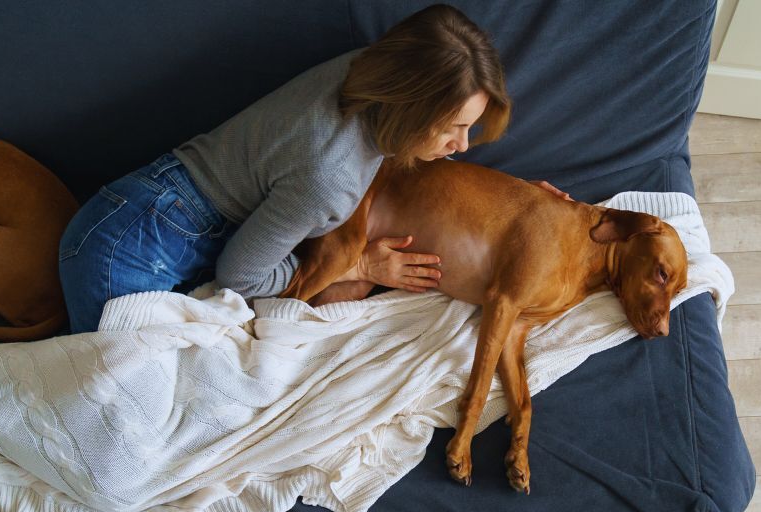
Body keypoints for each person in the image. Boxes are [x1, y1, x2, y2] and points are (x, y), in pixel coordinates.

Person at [58, 4, 566, 334]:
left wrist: (516, 204)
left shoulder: (374, 68)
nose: (461, 146)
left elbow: (409, 154)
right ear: (409, 107)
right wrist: (360, 267)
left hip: (155, 209)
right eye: (452, 128)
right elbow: (241, 279)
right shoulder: (330, 177)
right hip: (129, 246)